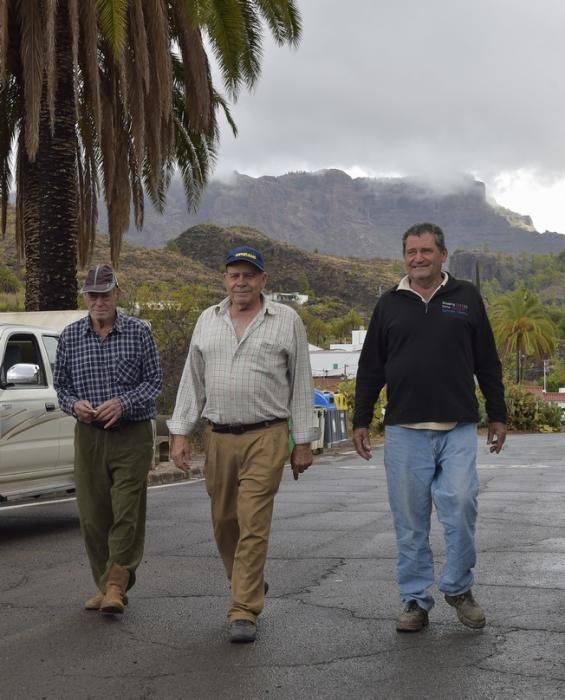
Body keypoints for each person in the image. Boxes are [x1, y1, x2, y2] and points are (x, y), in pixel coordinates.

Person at [352, 223, 507, 633]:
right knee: (410, 521)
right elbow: (370, 367)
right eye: (410, 251)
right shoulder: (389, 304)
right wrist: (360, 419)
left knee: (461, 505)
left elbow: (487, 362)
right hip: (404, 430)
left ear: (442, 254)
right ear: (404, 257)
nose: (417, 258)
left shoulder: (466, 298)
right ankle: (415, 600)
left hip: (457, 426)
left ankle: (458, 587)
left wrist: (498, 414)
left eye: (425, 250)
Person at [168, 245, 317, 644]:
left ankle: (244, 608)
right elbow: (192, 380)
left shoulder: (286, 320)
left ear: (263, 280)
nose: (241, 282)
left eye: (249, 275)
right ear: (225, 280)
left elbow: (302, 384)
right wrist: (180, 433)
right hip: (217, 437)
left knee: (252, 520)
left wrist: (302, 442)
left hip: (266, 435)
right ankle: (248, 582)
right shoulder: (207, 320)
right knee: (224, 522)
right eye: (234, 274)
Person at [54, 264, 162, 615]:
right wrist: (75, 405)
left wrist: (124, 402)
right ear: (85, 297)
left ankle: (116, 584)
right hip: (88, 436)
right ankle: (105, 584)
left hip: (131, 434)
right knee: (92, 515)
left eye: (106, 293)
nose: (99, 301)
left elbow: (154, 383)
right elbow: (62, 387)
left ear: (117, 294)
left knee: (126, 511)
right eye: (93, 295)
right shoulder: (70, 337)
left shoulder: (138, 332)